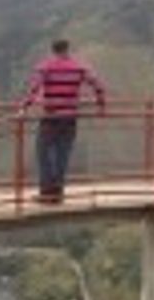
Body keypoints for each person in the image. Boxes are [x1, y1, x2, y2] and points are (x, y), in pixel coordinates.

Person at [20, 39, 106, 203]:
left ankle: (47, 192)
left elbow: (34, 88)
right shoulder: (79, 67)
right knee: (62, 155)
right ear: (67, 50)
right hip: (70, 117)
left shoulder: (46, 67)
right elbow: (98, 86)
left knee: (43, 153)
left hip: (51, 116)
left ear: (53, 51)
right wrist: (101, 106)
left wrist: (24, 108)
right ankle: (58, 192)